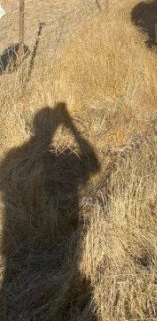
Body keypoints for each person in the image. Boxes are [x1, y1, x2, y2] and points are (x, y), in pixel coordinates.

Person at [0, 103, 100, 320]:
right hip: (39, 249)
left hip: (15, 248)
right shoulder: (21, 156)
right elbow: (93, 164)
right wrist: (73, 128)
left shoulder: (14, 155)